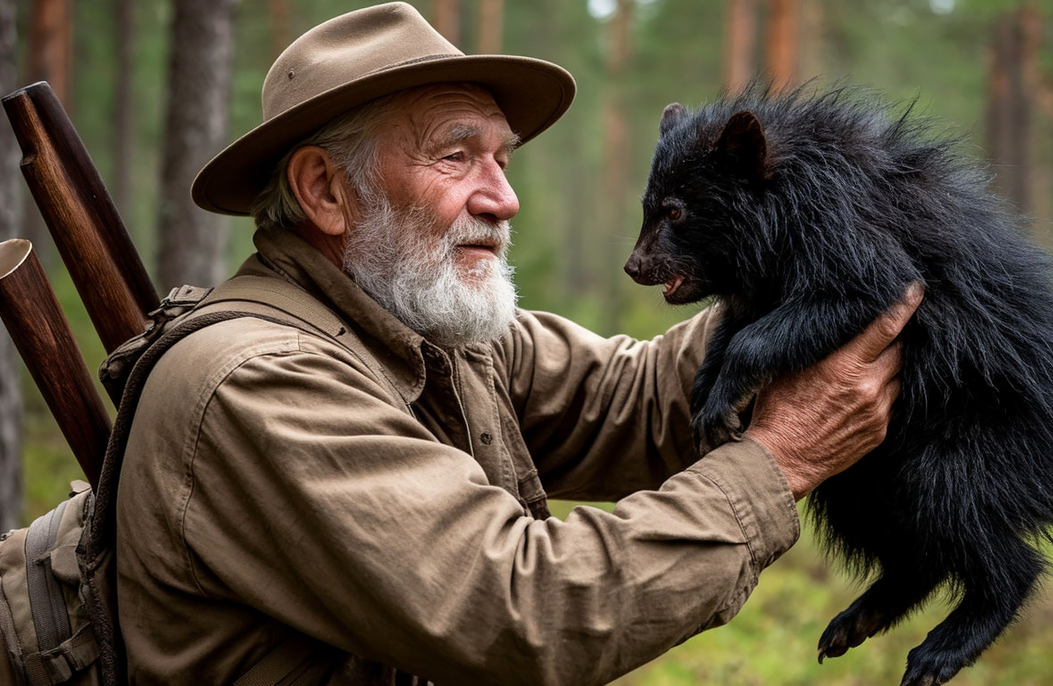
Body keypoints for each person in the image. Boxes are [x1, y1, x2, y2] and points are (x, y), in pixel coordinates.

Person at [116, 3, 922, 684]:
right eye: (456, 155)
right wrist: (778, 463)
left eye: (502, 158)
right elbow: (521, 608)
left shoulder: (423, 328)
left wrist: (809, 264)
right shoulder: (258, 386)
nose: (504, 199)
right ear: (326, 191)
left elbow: (630, 400)